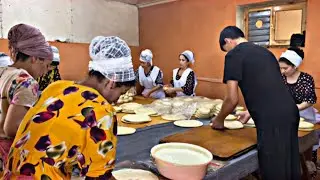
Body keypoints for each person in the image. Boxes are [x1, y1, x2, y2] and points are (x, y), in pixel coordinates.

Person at [3, 36, 136, 179]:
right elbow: (99, 177)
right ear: (111, 82)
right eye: (120, 93)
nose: (116, 101)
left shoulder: (56, 88)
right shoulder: (101, 110)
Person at [211, 26, 300, 180]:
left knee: (274, 169)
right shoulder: (267, 53)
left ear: (228, 41)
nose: (227, 53)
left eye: (226, 49)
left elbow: (232, 99)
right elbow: (269, 89)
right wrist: (250, 111)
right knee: (289, 162)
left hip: (271, 120)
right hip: (290, 111)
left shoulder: (233, 55)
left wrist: (219, 120)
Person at [0, 24, 53, 176]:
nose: (43, 72)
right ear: (34, 58)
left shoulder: (4, 71)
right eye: (45, 65)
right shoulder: (26, 81)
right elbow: (12, 128)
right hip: (7, 153)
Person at [279, 47, 317, 121]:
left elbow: (309, 101)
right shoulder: (280, 78)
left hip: (304, 116)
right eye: (280, 68)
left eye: (285, 68)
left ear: (295, 66)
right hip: (284, 114)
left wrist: (294, 108)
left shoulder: (306, 79)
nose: (282, 71)